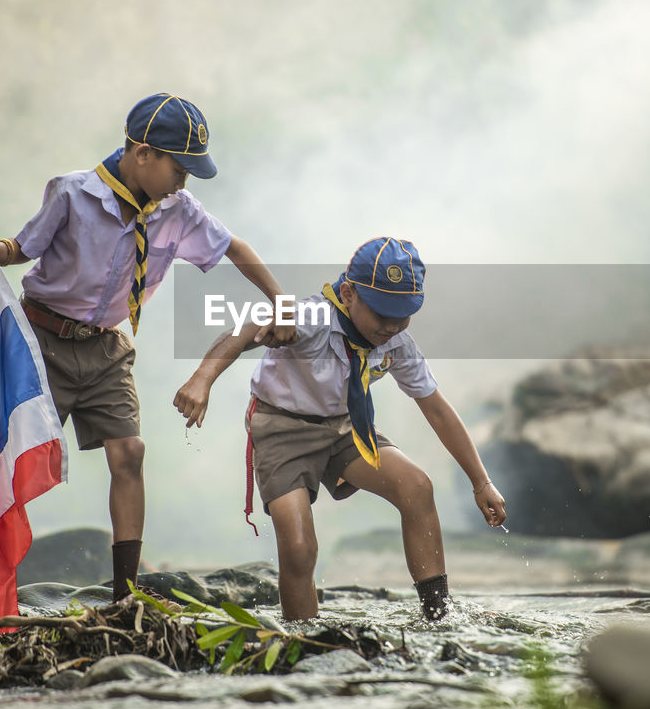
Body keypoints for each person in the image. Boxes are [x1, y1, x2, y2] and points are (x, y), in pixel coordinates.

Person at [0, 93, 294, 601]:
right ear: (143, 154)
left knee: (130, 454)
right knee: (11, 460)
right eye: (178, 169)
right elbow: (21, 248)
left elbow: (235, 248)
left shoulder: (178, 210)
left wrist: (281, 301)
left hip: (107, 349)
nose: (183, 183)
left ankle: (125, 594)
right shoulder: (72, 194)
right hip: (42, 341)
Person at [173, 237, 507, 621]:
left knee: (417, 487)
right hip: (282, 430)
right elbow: (245, 331)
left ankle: (438, 615)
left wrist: (481, 482)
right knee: (299, 547)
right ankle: (306, 637)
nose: (391, 325)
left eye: (403, 315)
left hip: (347, 427)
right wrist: (203, 378)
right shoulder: (313, 318)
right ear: (349, 294)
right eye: (382, 312)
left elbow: (438, 411)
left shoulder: (397, 342)